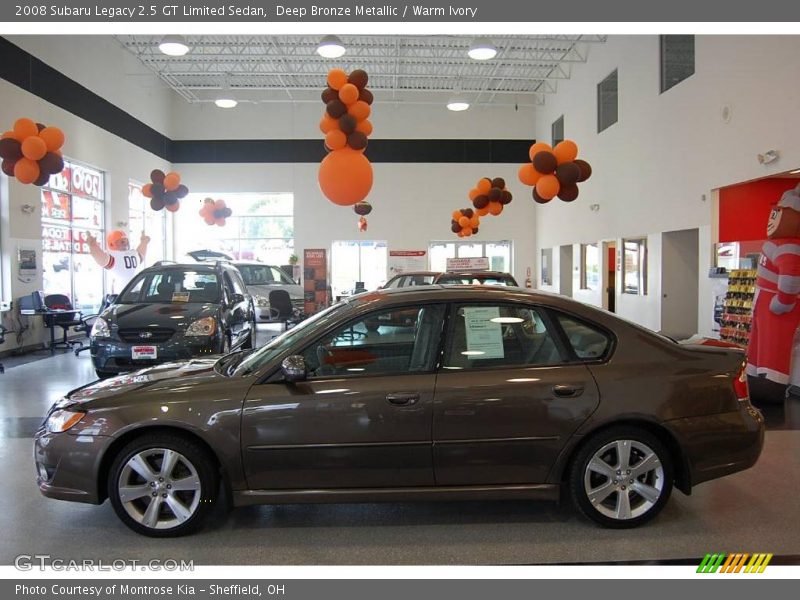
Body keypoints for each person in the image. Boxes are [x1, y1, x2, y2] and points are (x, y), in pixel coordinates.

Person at [746, 183, 800, 398]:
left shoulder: (790, 247)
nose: (773, 218)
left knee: (773, 348)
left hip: (776, 309)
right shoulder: (781, 243)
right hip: (764, 306)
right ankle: (755, 377)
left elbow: (790, 278)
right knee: (759, 344)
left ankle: (771, 388)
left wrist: (782, 302)